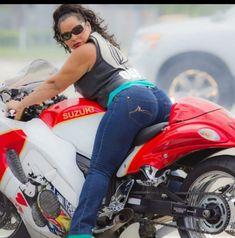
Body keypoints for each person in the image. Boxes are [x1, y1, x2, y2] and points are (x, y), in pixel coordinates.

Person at [6, 4, 172, 238]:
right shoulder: (107, 46)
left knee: (100, 169)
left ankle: (80, 230)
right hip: (156, 99)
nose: (74, 38)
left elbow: (54, 84)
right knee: (129, 164)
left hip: (131, 100)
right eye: (66, 35)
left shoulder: (84, 51)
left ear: (88, 26)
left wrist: (21, 104)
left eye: (77, 30)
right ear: (62, 39)